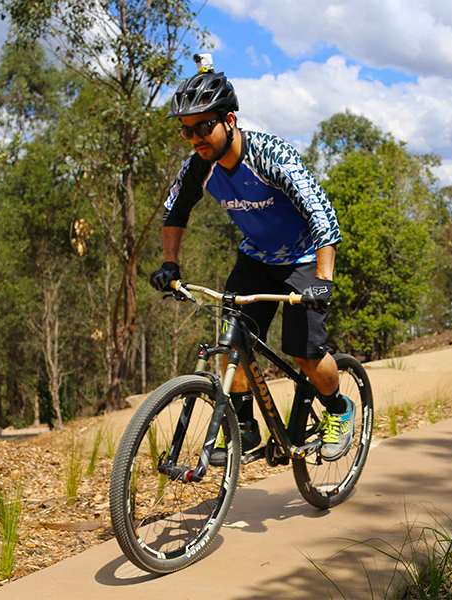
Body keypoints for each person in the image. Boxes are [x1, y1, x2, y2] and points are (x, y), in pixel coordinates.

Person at [148, 54, 352, 463]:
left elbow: (322, 214)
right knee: (231, 341)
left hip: (304, 259)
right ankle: (243, 425)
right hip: (257, 258)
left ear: (229, 120)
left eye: (203, 127)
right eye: (186, 131)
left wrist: (323, 282)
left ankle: (339, 411)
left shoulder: (271, 156)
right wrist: (170, 263)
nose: (195, 139)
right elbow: (175, 211)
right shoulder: (199, 167)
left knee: (305, 355)